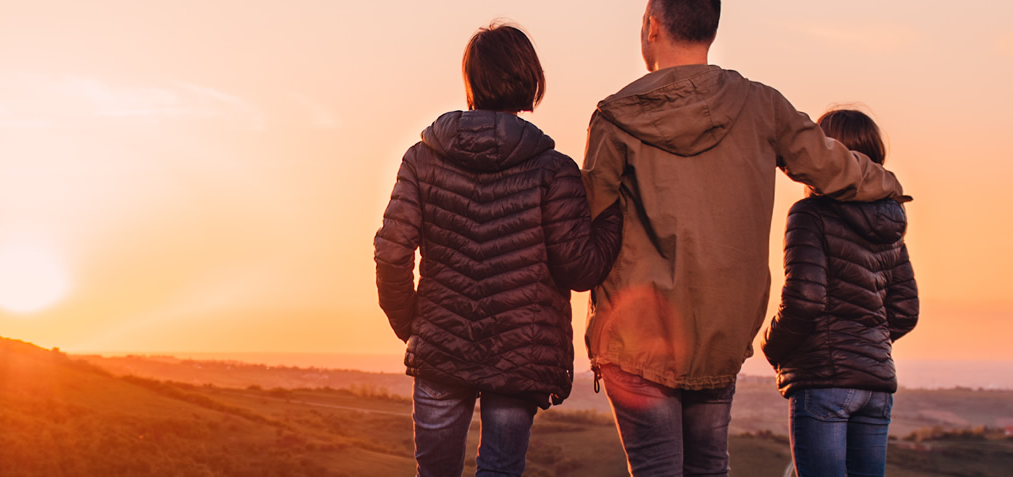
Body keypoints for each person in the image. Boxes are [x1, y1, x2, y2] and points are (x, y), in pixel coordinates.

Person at [580, 1, 909, 475]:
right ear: (711, 29)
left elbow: (590, 225)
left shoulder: (615, 118)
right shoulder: (762, 106)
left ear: (651, 27)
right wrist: (889, 185)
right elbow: (833, 167)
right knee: (711, 468)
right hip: (721, 333)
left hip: (638, 341)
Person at [375, 20, 623, 477]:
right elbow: (580, 269)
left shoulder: (420, 159)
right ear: (530, 81)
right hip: (520, 358)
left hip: (440, 352)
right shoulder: (555, 171)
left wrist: (411, 324)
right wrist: (613, 214)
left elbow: (392, 252)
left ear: (471, 81)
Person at [761, 108, 918, 477]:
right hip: (875, 384)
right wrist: (865, 341)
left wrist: (772, 347)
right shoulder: (891, 222)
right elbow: (905, 311)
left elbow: (805, 301)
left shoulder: (809, 214)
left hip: (823, 379)